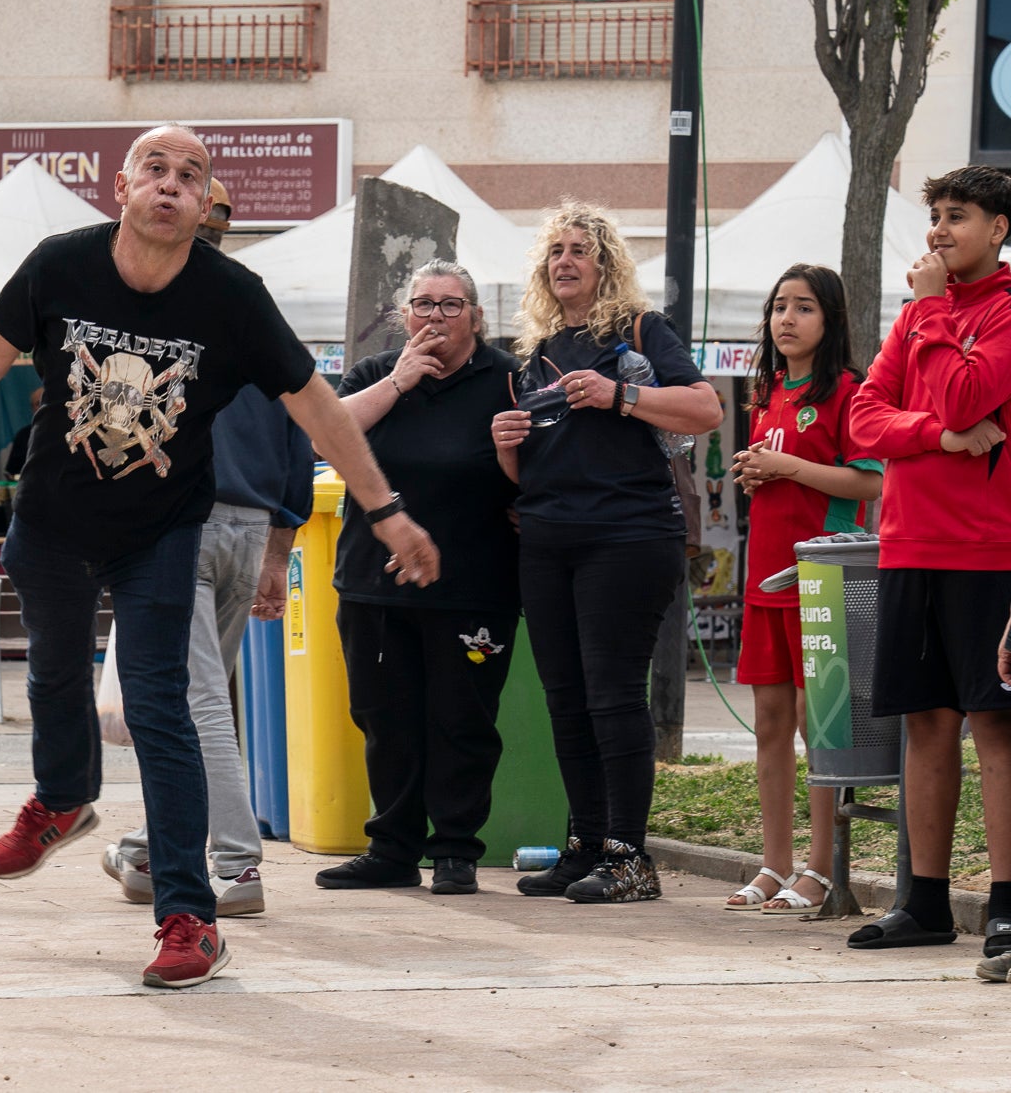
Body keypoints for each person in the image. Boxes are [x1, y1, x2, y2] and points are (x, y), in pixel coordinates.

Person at [0, 124, 439, 989]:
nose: (170, 183)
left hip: (162, 531)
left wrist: (382, 507)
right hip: (51, 520)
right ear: (121, 187)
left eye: (189, 174)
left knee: (164, 709)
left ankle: (190, 917)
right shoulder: (60, 264)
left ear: (205, 205)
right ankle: (63, 798)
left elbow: (318, 406)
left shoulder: (233, 297)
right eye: (153, 168)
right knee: (53, 673)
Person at [490, 201, 722, 904]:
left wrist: (621, 394)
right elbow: (532, 471)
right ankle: (585, 844)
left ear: (606, 265)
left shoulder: (642, 332)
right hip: (548, 538)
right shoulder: (530, 359)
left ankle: (630, 856)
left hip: (627, 536)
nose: (564, 260)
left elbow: (706, 409)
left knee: (612, 695)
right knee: (567, 700)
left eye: (579, 250)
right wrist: (506, 446)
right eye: (554, 251)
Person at [101, 177, 313, 917]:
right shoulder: (254, 306)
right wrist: (275, 551)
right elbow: (298, 433)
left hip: (179, 523)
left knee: (194, 703)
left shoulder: (152, 309)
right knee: (196, 702)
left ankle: (235, 861)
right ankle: (157, 845)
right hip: (247, 524)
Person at [846, 167, 1011, 969]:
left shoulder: (997, 311)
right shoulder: (916, 316)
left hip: (990, 553)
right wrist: (942, 439)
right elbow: (864, 418)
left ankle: (1008, 907)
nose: (941, 230)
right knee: (927, 723)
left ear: (1000, 229)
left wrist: (936, 308)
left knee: (997, 726)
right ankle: (926, 900)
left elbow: (968, 391)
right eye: (936, 216)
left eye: (960, 216)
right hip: (907, 546)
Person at [316, 260, 521, 896]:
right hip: (374, 582)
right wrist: (399, 383)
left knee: (462, 720)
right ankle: (393, 848)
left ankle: (455, 850)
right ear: (404, 316)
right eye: (423, 304)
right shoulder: (376, 373)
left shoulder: (508, 378)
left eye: (451, 305)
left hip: (475, 583)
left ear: (478, 318)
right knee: (385, 716)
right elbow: (324, 435)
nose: (435, 316)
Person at [723, 265, 880, 915]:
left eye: (804, 307)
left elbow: (869, 484)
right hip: (765, 578)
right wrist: (755, 472)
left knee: (825, 727)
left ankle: (820, 866)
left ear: (832, 318)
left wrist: (786, 465)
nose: (786, 318)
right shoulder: (764, 392)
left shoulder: (849, 389)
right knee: (770, 725)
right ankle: (774, 862)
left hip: (823, 578)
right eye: (779, 306)